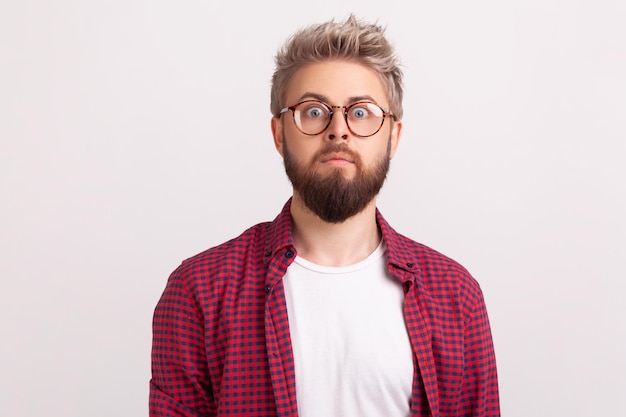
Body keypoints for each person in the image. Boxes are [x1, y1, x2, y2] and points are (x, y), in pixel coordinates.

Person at [149, 15, 500, 417]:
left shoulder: (456, 296)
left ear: (394, 137)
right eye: (313, 112)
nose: (339, 130)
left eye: (362, 112)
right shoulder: (200, 292)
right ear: (280, 132)